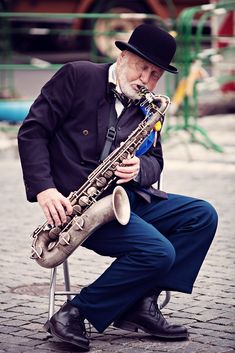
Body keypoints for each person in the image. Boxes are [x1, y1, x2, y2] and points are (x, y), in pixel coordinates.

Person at [18, 24, 218, 352]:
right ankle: (73, 314)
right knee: (157, 251)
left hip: (125, 200)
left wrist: (141, 169)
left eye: (156, 75)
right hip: (78, 209)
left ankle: (141, 304)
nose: (147, 80)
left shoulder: (149, 109)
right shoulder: (77, 76)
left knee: (202, 215)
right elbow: (33, 132)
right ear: (123, 56)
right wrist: (45, 189)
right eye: (143, 68)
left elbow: (156, 161)